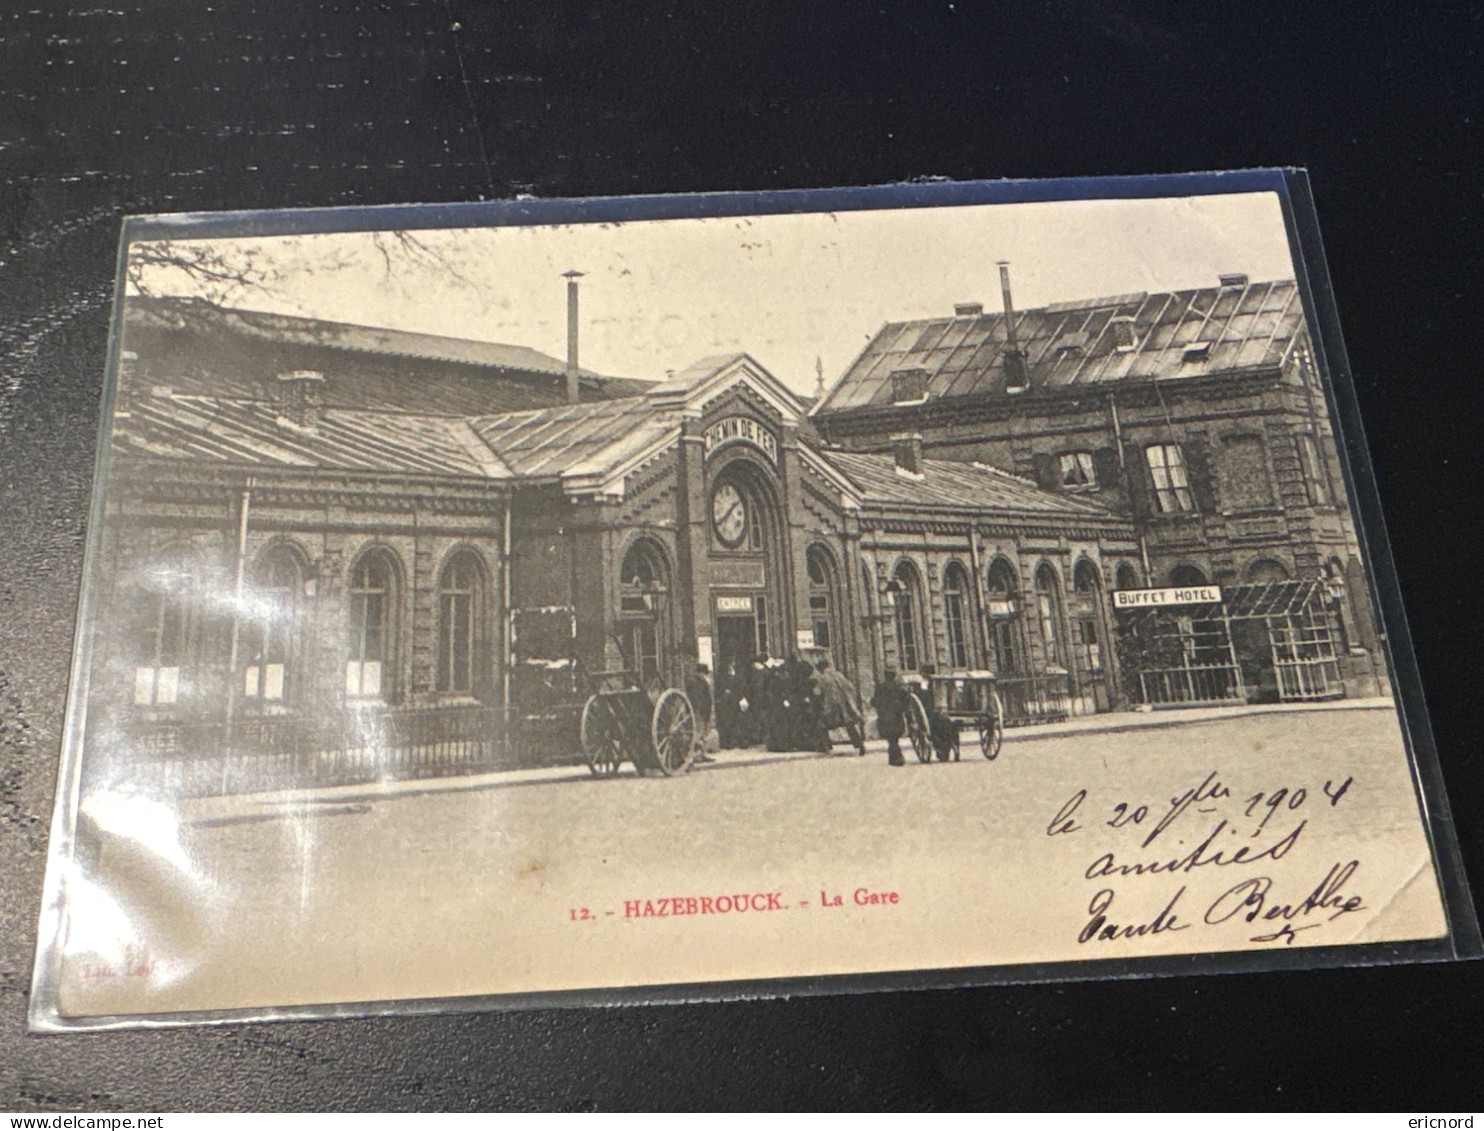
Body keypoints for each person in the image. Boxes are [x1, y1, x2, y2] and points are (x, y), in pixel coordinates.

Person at [813, 658, 865, 755]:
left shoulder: (822, 678)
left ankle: (827, 748)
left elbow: (817, 693)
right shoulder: (839, 675)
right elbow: (850, 687)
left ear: (821, 668)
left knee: (821, 725)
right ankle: (859, 746)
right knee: (850, 726)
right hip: (844, 707)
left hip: (830, 708)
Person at [869, 666, 911, 766]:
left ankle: (895, 758)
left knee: (891, 738)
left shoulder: (881, 687)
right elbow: (906, 700)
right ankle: (895, 757)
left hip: (885, 715)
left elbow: (875, 701)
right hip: (897, 715)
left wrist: (875, 704)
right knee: (894, 737)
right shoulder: (899, 686)